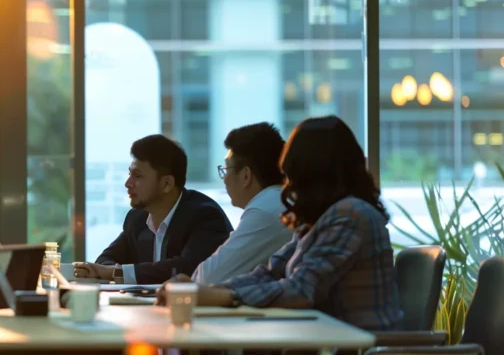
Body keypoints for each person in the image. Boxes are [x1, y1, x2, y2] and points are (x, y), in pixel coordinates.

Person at [156, 116, 403, 331]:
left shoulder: (351, 215)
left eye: (292, 174)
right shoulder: (318, 219)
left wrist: (220, 295)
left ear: (312, 173)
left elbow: (301, 290)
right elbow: (271, 271)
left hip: (360, 346)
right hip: (328, 340)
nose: (288, 184)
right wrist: (204, 293)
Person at [73, 134, 232, 285]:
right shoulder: (137, 218)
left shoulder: (204, 216)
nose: (128, 183)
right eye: (130, 174)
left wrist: (115, 273)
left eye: (138, 176)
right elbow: (105, 260)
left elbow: (187, 269)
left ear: (166, 184)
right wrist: (107, 270)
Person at [190, 122, 293, 285]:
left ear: (246, 176)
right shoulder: (278, 201)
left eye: (226, 168)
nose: (224, 178)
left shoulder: (265, 210)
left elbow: (207, 279)